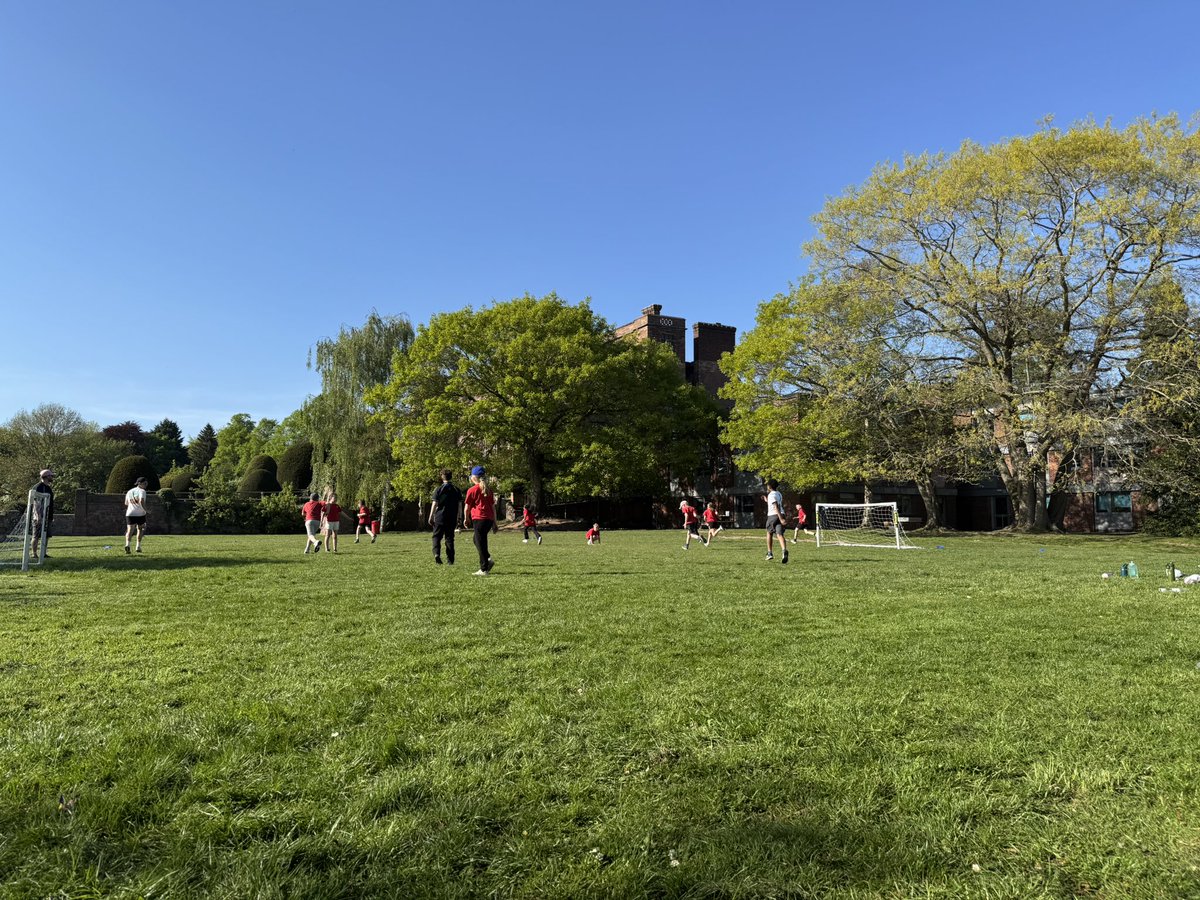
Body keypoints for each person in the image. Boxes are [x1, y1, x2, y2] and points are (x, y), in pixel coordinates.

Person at [463, 465, 497, 575]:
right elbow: (493, 508)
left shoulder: (472, 490)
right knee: (477, 540)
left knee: (481, 542)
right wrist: (495, 523)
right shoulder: (489, 490)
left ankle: (484, 568)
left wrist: (466, 519)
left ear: (473, 477)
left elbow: (467, 508)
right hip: (488, 519)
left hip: (479, 518)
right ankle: (488, 559)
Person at [429, 469, 462, 565]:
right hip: (451, 517)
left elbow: (434, 504)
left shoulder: (438, 489)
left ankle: (437, 554)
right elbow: (460, 505)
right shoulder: (456, 490)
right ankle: (450, 560)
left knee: (436, 536)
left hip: (440, 516)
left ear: (442, 477)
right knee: (449, 538)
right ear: (451, 476)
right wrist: (459, 518)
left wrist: (431, 516)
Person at [31, 468, 55, 556]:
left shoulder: (48, 488)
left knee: (47, 536)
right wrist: (38, 516)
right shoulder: (38, 487)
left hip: (48, 516)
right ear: (46, 477)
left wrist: (51, 516)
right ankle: (34, 554)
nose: (52, 477)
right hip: (39, 516)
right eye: (51, 476)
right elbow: (36, 503)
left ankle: (43, 553)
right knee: (36, 535)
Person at [764, 479, 789, 564]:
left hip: (773, 515)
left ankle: (769, 553)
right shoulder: (778, 494)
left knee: (769, 532)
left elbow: (775, 506)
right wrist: (766, 500)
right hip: (781, 513)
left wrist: (780, 519)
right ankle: (784, 550)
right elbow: (776, 503)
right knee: (779, 534)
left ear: (769, 486)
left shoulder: (771, 495)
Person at [124, 476, 149, 554]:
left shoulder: (129, 491)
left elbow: (126, 503)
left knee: (130, 530)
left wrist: (132, 505)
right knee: (140, 529)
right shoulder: (142, 491)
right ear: (139, 483)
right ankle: (138, 546)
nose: (146, 485)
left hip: (130, 513)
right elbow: (141, 501)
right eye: (144, 483)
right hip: (140, 514)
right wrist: (146, 510)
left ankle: (127, 544)